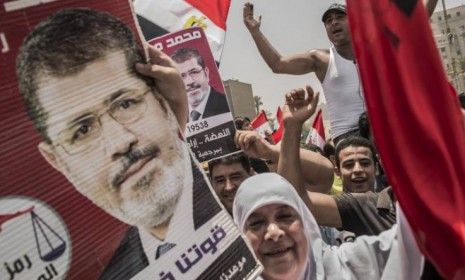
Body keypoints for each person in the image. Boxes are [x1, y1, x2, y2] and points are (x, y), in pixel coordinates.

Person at [16, 8, 221, 279]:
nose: (120, 143)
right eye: (82, 130)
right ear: (57, 161)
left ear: (161, 102)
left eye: (126, 104)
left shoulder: (248, 211)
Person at [243, 1, 438, 145]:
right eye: (328, 21)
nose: (334, 23)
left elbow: (417, 20)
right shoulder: (321, 59)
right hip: (348, 138)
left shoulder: (378, 49)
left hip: (387, 130)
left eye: (339, 17)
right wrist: (255, 32)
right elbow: (278, 64)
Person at [233, 173, 425, 280]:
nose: (273, 233)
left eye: (284, 216)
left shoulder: (358, 265)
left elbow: (422, 231)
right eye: (256, 223)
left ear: (305, 223)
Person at [171, 47, 230, 122]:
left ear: (206, 73)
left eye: (194, 72)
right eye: (181, 76)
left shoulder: (226, 105)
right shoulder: (175, 117)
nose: (189, 81)